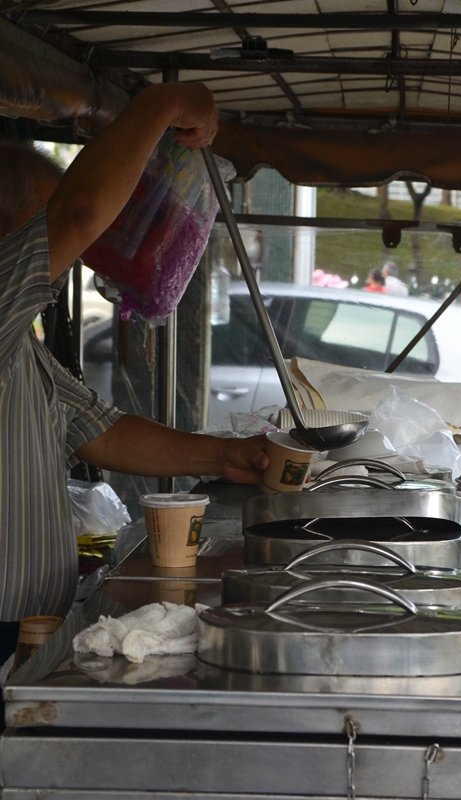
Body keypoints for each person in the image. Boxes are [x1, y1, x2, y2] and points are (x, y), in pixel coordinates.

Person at [0, 82, 269, 675]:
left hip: (31, 626)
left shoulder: (19, 343)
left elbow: (102, 431)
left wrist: (225, 456)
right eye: (39, 237)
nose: (78, 253)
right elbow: (78, 213)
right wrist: (163, 105)